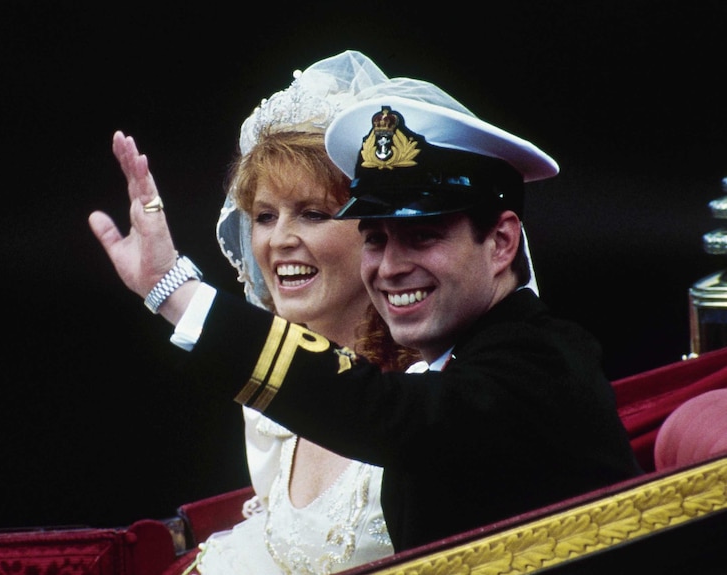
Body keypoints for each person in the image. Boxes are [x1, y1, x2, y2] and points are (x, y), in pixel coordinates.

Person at [88, 52, 643, 553]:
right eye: (374, 239)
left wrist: (175, 290)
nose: (391, 266)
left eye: (422, 236)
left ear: (501, 242)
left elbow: (388, 412)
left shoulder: (544, 362)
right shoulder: (458, 355)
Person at [184, 52, 418, 574]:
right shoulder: (270, 408)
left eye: (312, 214)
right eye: (265, 217)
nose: (279, 240)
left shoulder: (430, 388)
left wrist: (169, 289)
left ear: (378, 231)